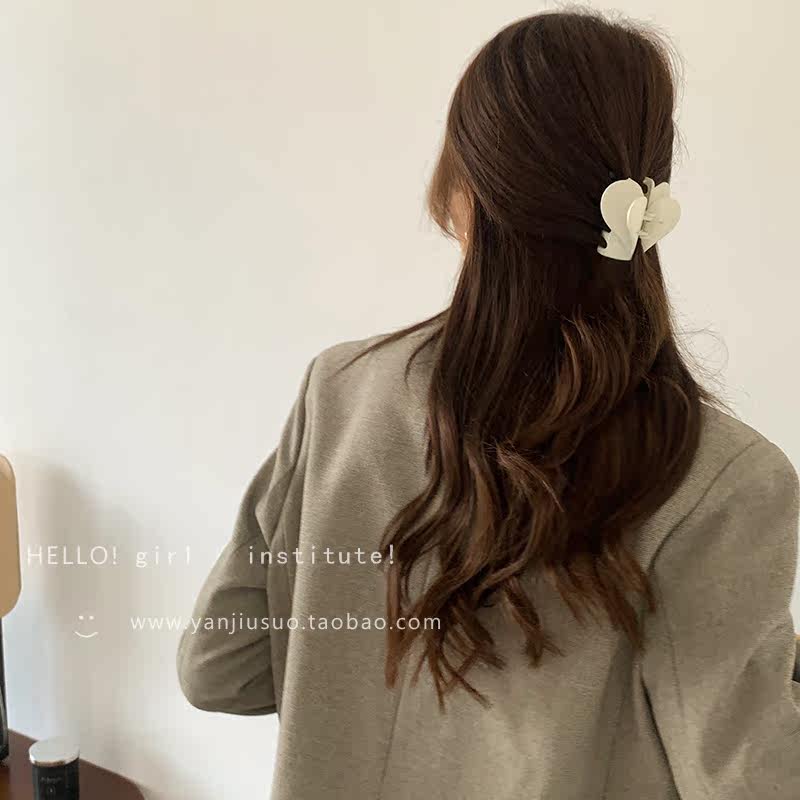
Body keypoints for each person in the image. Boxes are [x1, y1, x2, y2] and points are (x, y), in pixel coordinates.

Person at [177, 9, 800, 799]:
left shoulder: (340, 392)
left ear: (462, 190)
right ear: (645, 200)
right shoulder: (724, 481)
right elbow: (752, 781)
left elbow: (220, 669)